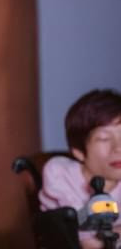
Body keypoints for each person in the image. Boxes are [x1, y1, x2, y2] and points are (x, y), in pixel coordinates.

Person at [40, 89, 121, 249]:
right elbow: (85, 240)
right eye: (104, 138)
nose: (118, 148)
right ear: (79, 152)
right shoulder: (59, 173)